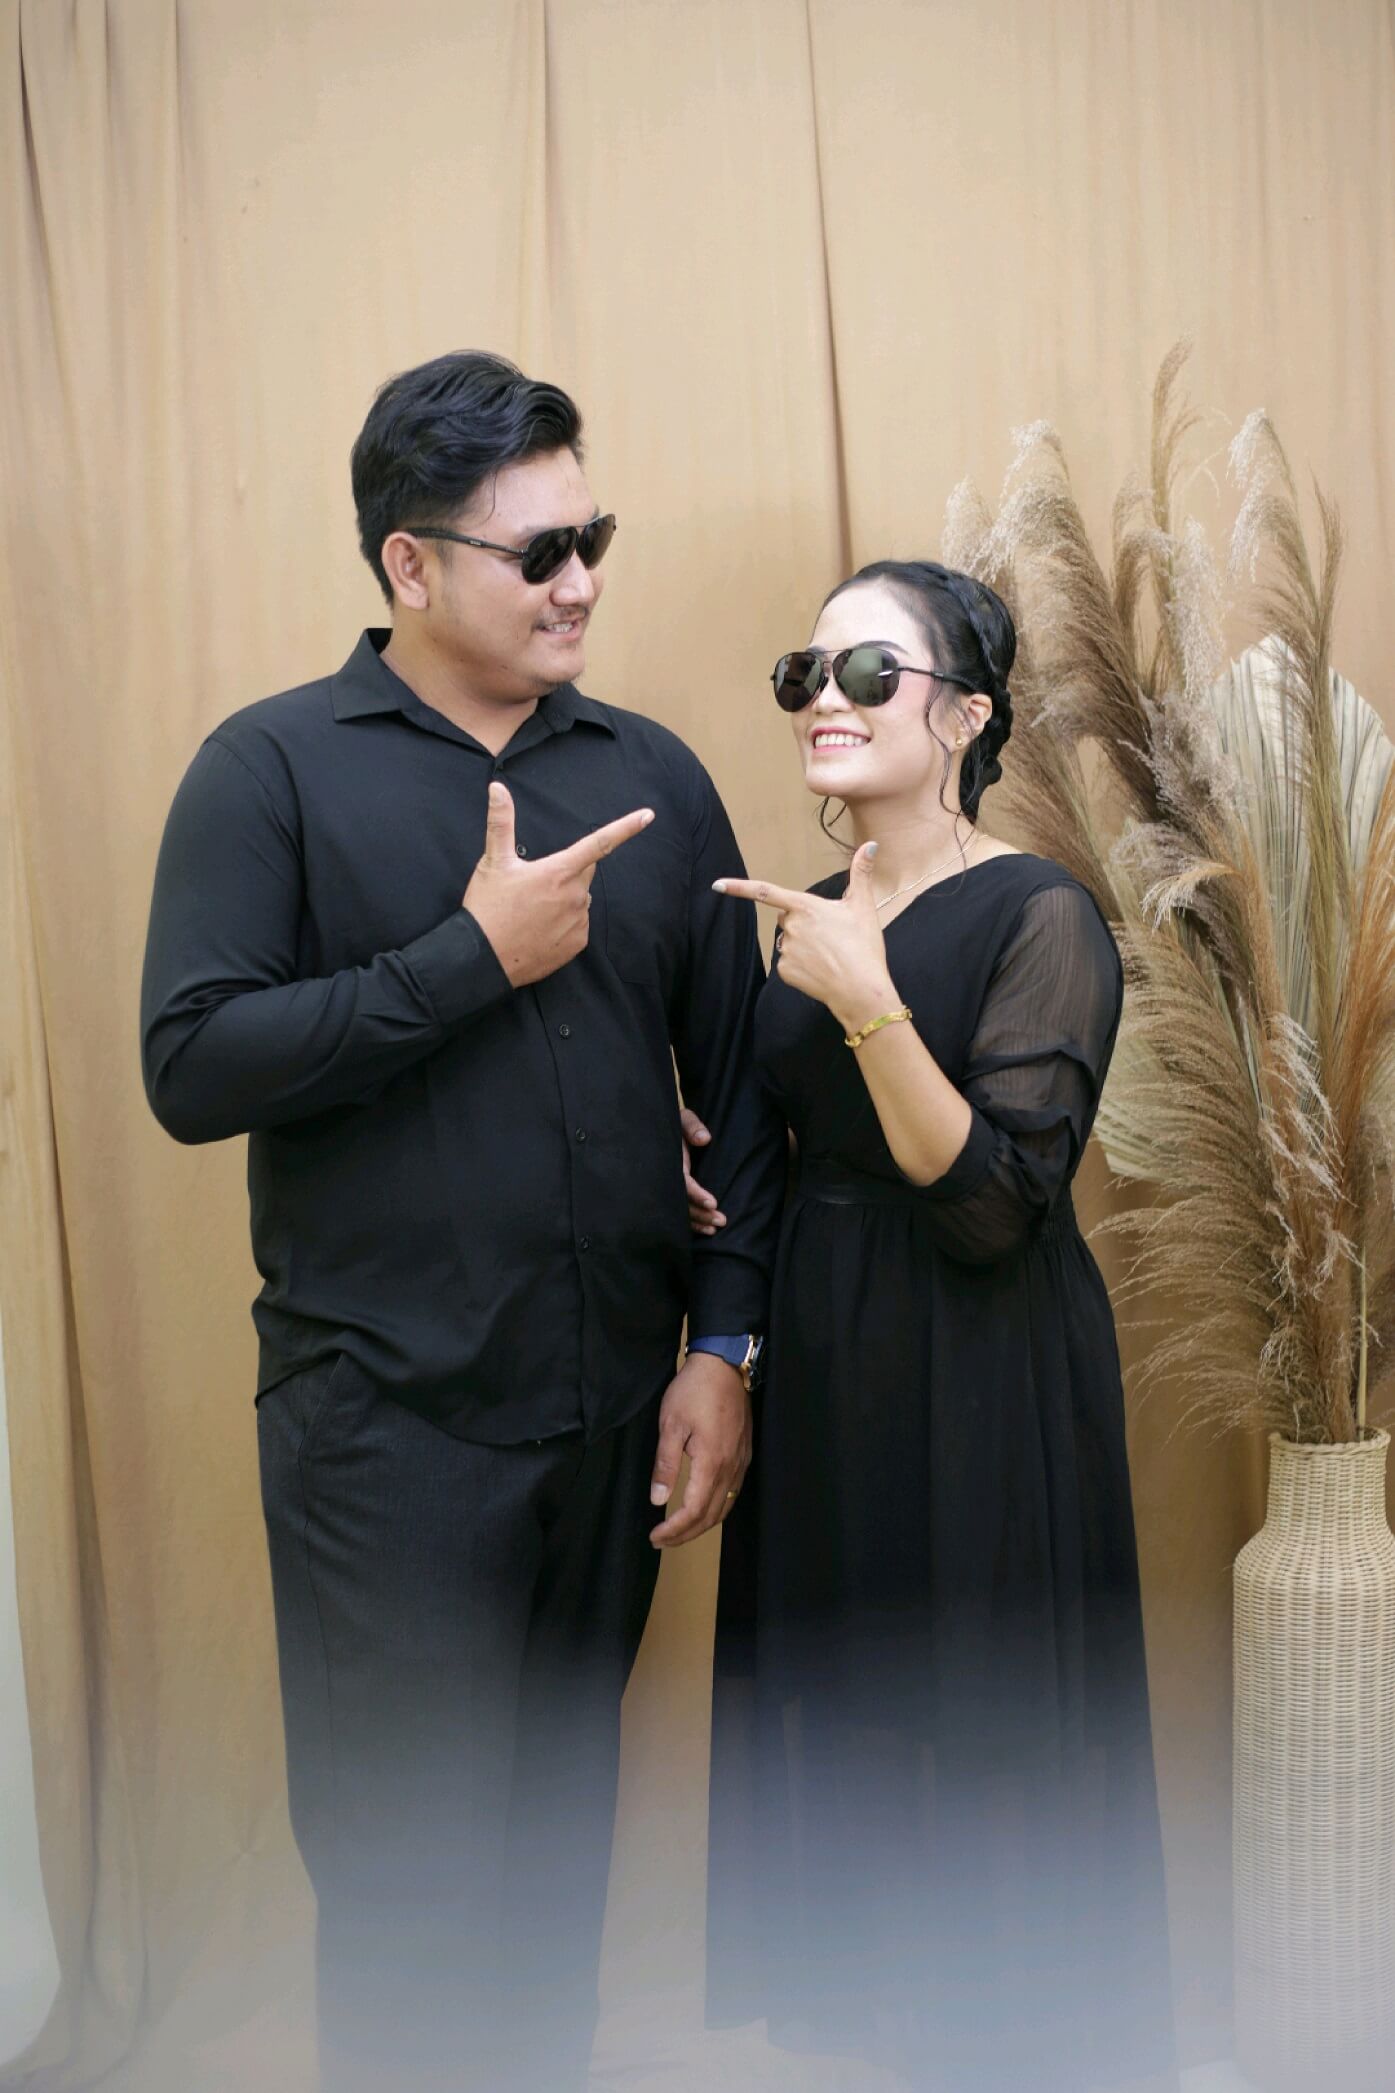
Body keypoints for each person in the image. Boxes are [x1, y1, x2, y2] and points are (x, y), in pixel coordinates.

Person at [139, 350, 785, 2093]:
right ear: (409, 564)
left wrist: (722, 1346)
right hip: (384, 1435)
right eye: (538, 552)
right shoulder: (268, 769)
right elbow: (190, 1064)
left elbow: (737, 1088)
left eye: (595, 539)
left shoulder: (654, 776)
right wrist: (469, 960)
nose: (582, 583)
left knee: (551, 1891)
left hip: (609, 1424)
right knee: (412, 1906)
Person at [703, 561, 1177, 2091]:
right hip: (832, 1364)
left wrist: (865, 1000)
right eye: (807, 674)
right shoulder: (812, 913)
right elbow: (781, 1151)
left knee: (977, 1742)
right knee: (856, 1743)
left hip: (982, 1366)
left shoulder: (1044, 912)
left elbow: (986, 1203)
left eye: (866, 673)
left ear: (966, 717)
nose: (823, 703)